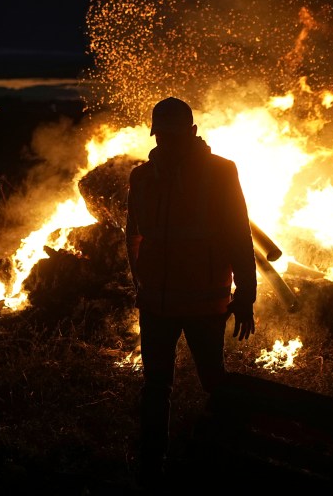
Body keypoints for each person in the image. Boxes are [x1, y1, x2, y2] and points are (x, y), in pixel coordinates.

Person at [124, 96, 257, 487]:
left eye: (173, 135)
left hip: (205, 303)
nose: (167, 143)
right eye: (162, 136)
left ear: (193, 133)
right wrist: (141, 287)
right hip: (157, 305)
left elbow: (238, 234)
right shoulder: (142, 177)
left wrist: (245, 294)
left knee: (213, 379)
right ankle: (152, 465)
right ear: (155, 135)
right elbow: (133, 235)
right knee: (156, 385)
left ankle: (227, 456)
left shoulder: (220, 172)